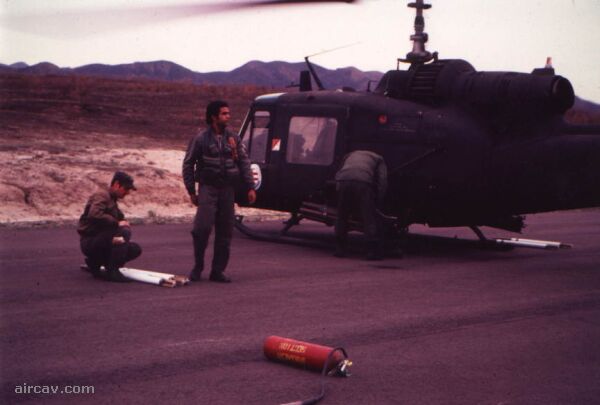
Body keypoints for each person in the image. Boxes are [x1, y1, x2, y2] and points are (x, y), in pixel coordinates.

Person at [182, 100, 256, 283]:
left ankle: (218, 271)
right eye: (224, 114)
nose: (228, 117)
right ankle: (198, 267)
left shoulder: (234, 138)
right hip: (208, 188)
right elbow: (188, 164)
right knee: (202, 229)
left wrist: (250, 186)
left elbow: (244, 162)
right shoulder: (200, 139)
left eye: (228, 113)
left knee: (225, 232)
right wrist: (192, 190)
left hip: (228, 190)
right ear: (214, 117)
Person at [77, 171, 142, 281]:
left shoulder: (112, 199)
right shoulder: (102, 195)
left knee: (134, 249)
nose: (127, 193)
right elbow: (94, 214)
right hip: (91, 241)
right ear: (116, 184)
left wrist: (122, 221)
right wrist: (117, 223)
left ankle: (95, 262)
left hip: (101, 240)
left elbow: (120, 217)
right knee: (124, 232)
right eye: (126, 189)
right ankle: (113, 271)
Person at [334, 150, 388, 260]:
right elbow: (383, 179)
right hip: (363, 182)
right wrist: (379, 198)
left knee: (342, 216)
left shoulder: (350, 154)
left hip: (343, 180)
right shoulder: (379, 158)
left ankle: (340, 249)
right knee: (368, 217)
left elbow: (340, 170)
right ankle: (371, 252)